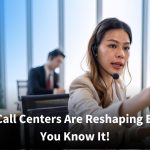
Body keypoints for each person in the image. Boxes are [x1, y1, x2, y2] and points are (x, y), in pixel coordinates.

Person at [68, 18, 150, 148]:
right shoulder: (80, 85)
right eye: (112, 45)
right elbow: (99, 126)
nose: (121, 54)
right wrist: (145, 96)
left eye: (126, 48)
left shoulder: (118, 85)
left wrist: (143, 131)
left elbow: (117, 134)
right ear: (95, 50)